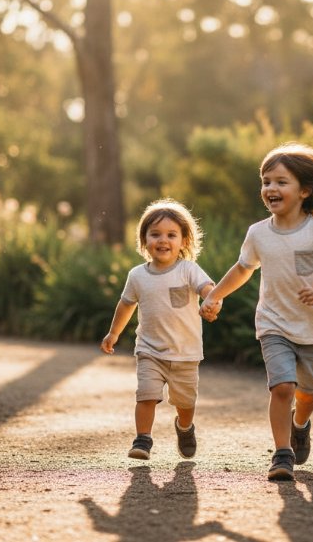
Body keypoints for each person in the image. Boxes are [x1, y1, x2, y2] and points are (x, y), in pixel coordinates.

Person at [199, 141, 313, 481]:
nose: (270, 188)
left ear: (304, 190)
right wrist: (216, 295)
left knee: (307, 395)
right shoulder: (258, 233)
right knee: (282, 388)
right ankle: (282, 453)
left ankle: (300, 425)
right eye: (265, 181)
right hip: (273, 324)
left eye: (280, 181)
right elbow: (244, 269)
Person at [101, 198, 220, 461]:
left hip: (185, 353)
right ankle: (143, 439)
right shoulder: (137, 276)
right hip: (149, 351)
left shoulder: (188, 270)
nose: (162, 240)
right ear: (144, 240)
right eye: (155, 234)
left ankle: (185, 427)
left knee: (185, 403)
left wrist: (212, 300)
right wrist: (114, 333)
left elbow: (207, 288)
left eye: (171, 235)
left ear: (184, 241)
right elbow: (126, 305)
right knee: (146, 395)